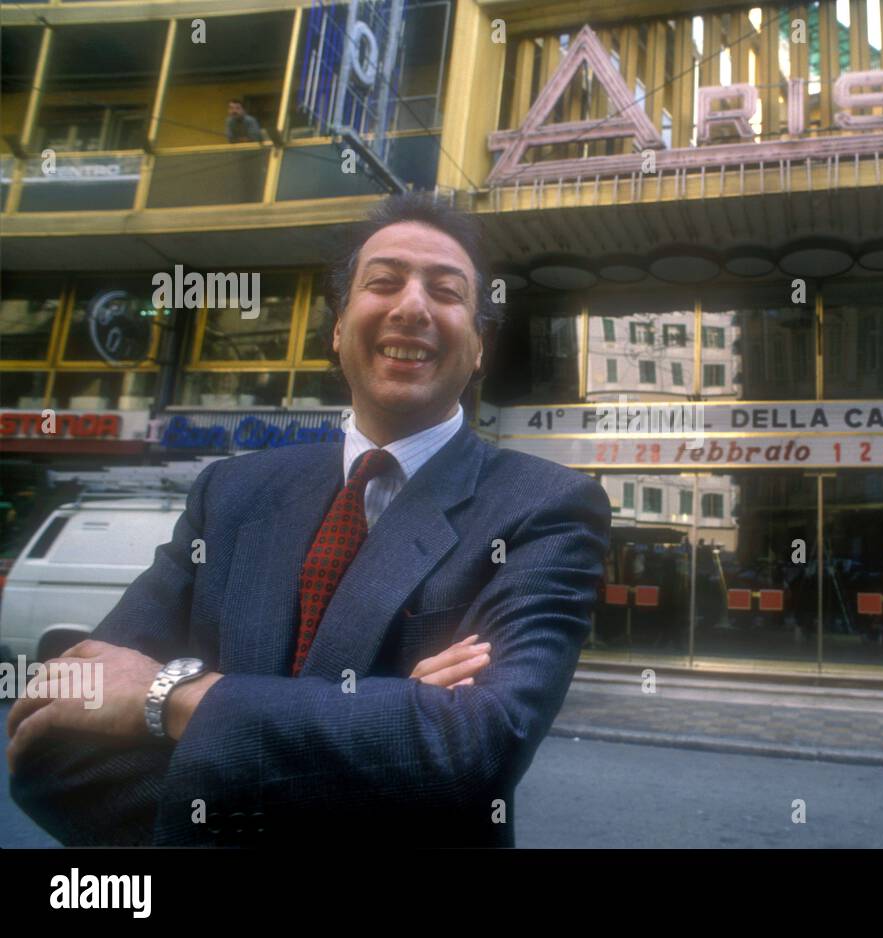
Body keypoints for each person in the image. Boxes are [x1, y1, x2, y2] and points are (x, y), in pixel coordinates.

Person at [6, 192, 612, 847]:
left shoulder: (546, 507)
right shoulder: (229, 493)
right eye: (382, 282)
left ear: (479, 348)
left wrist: (166, 698)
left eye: (446, 290)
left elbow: (473, 749)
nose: (411, 306)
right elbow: (53, 739)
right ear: (336, 327)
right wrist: (389, 721)